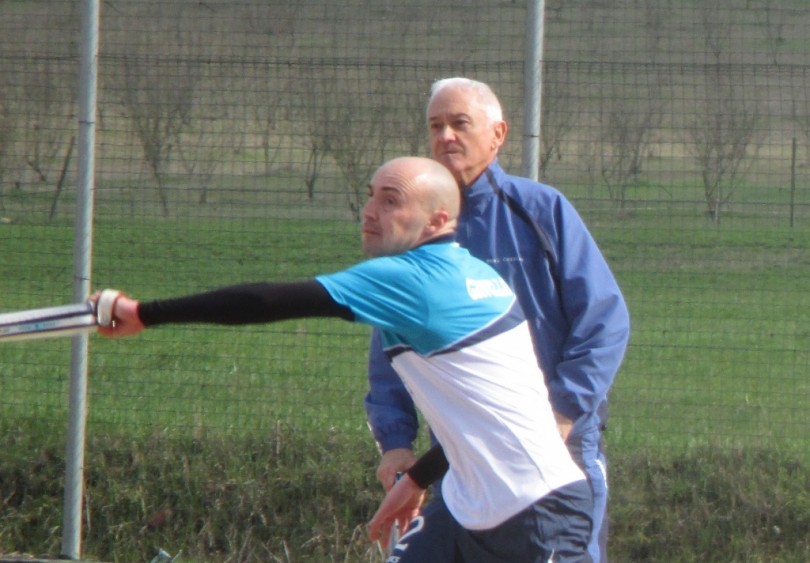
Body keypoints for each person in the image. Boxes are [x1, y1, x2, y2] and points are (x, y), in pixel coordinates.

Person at [96, 156, 592, 562]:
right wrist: (419, 477)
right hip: (467, 508)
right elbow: (489, 416)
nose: (370, 210)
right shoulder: (474, 273)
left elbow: (267, 302)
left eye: (391, 200)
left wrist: (143, 313)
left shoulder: (411, 279)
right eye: (371, 194)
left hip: (538, 513)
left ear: (438, 221)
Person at [365, 78, 631, 562]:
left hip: (554, 454)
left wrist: (565, 410)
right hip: (458, 459)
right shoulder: (419, 235)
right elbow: (392, 349)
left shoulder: (541, 211)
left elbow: (605, 321)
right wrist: (396, 441)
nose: (445, 136)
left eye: (459, 124)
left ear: (498, 134)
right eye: (435, 125)